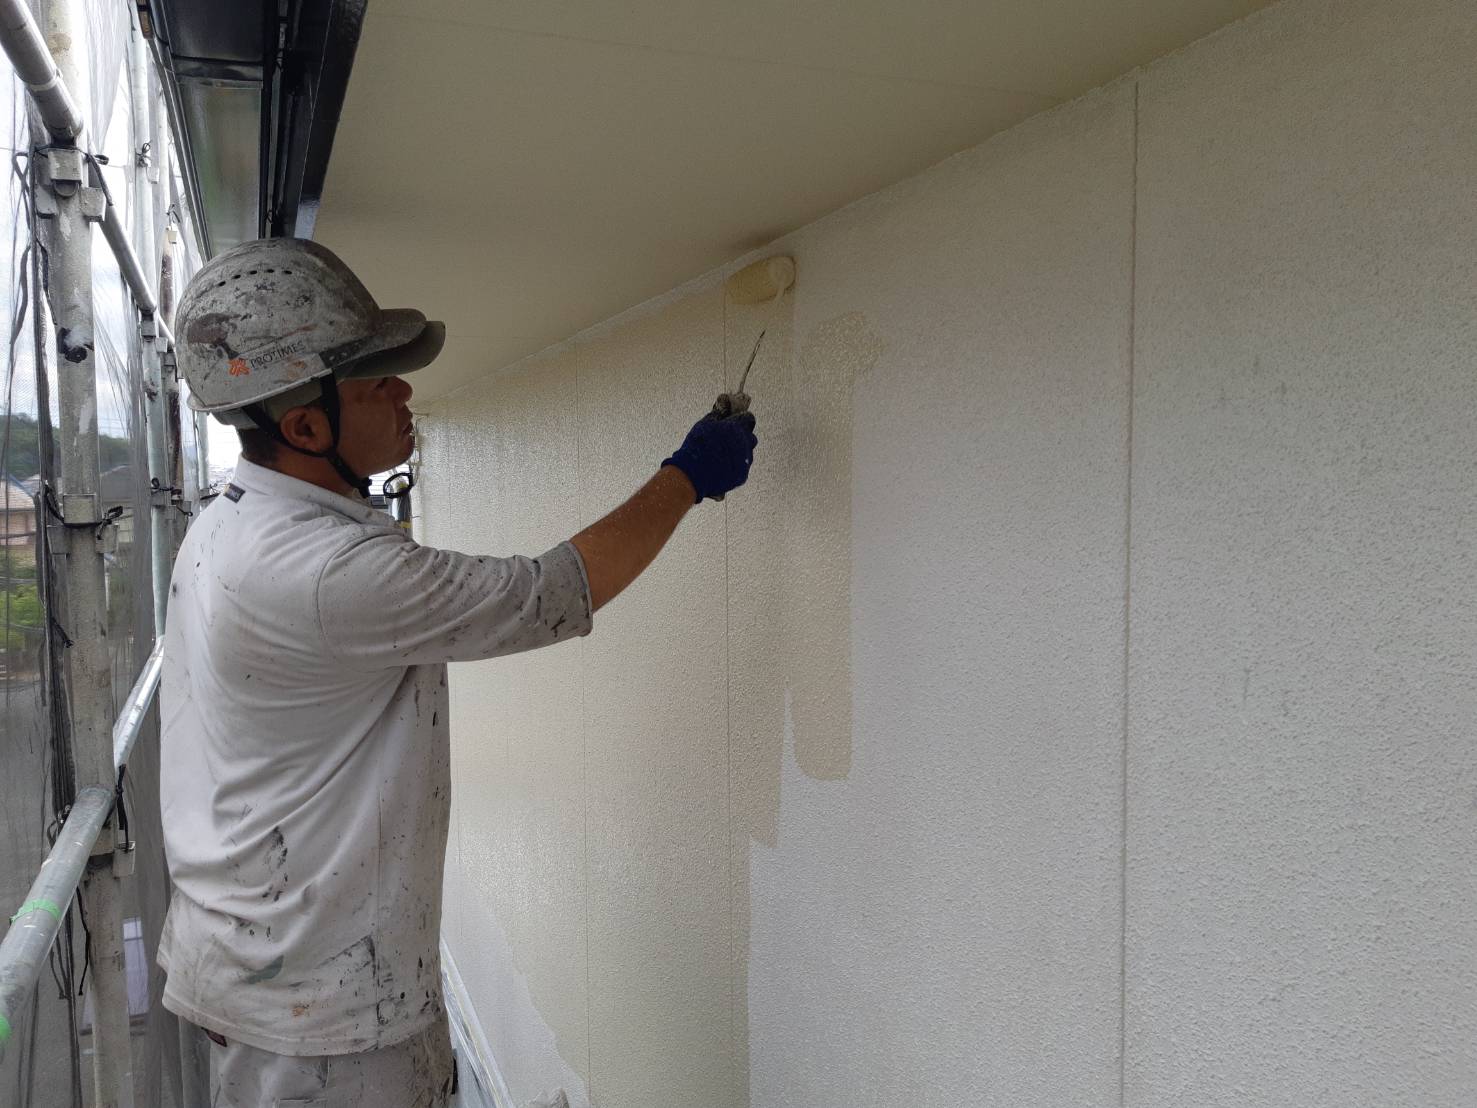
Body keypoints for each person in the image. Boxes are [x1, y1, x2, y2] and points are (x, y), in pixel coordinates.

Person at [157, 237, 758, 1106]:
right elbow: (548, 593)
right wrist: (687, 476)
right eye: (376, 382)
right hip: (321, 1015)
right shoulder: (322, 571)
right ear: (304, 426)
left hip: (257, 957)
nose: (405, 392)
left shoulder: (231, 522)